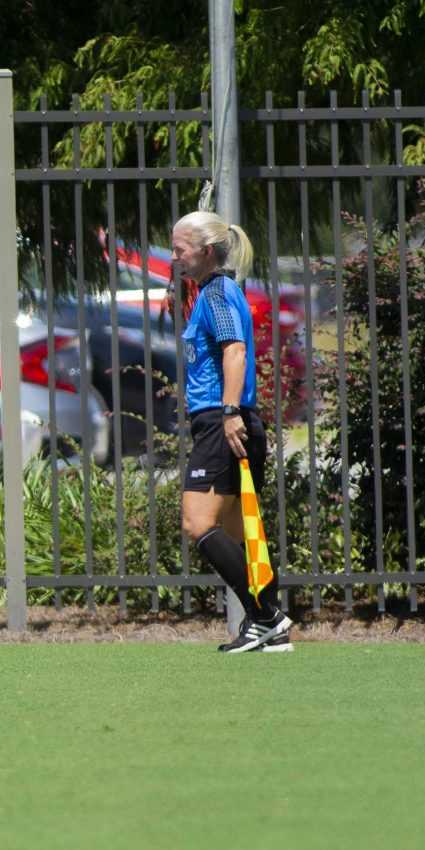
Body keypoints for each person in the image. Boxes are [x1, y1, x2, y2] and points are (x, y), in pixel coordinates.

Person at [170, 209, 292, 653]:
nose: (175, 257)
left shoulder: (218, 294)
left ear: (205, 251)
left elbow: (235, 352)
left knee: (196, 522)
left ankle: (267, 618)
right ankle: (267, 625)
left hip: (224, 423)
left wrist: (228, 413)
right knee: (239, 533)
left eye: (180, 249)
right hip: (232, 421)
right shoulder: (212, 292)